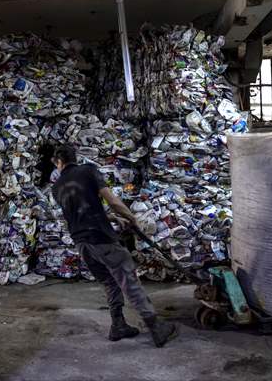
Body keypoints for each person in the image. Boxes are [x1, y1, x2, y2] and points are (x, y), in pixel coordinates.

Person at [50, 144, 178, 347]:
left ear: (58, 163)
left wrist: (111, 218)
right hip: (101, 238)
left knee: (110, 282)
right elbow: (112, 200)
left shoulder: (57, 188)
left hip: (82, 244)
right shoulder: (89, 171)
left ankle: (118, 324)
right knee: (129, 280)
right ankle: (156, 327)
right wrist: (132, 218)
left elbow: (81, 210)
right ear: (75, 157)